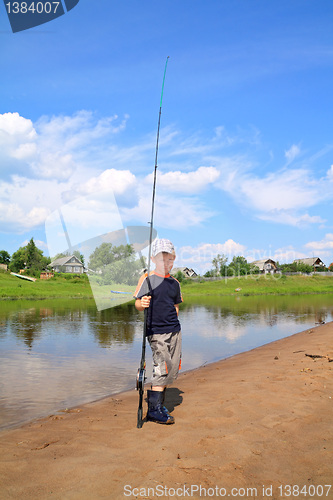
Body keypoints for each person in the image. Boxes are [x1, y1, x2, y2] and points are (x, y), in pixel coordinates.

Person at [134, 238, 182, 425]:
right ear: (153, 259)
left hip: (174, 331)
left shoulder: (175, 283)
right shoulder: (147, 279)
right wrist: (142, 303)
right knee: (161, 367)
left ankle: (159, 404)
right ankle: (154, 409)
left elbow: (175, 305)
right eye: (163, 260)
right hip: (156, 331)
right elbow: (137, 303)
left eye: (170, 260)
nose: (167, 263)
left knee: (171, 366)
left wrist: (175, 322)